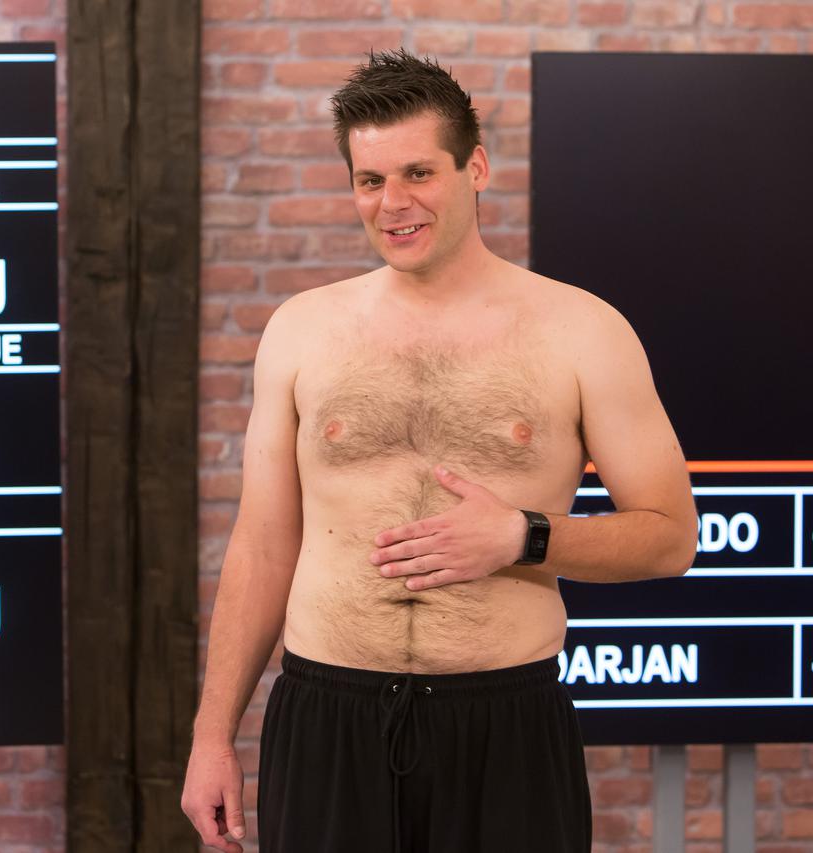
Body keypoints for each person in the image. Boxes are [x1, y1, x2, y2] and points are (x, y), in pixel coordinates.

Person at [181, 49, 697, 853]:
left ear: (475, 168)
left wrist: (523, 535)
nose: (393, 203)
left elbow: (670, 537)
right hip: (328, 720)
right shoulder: (300, 331)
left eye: (419, 173)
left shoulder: (583, 331)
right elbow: (263, 544)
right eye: (370, 180)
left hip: (504, 727)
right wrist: (213, 735)